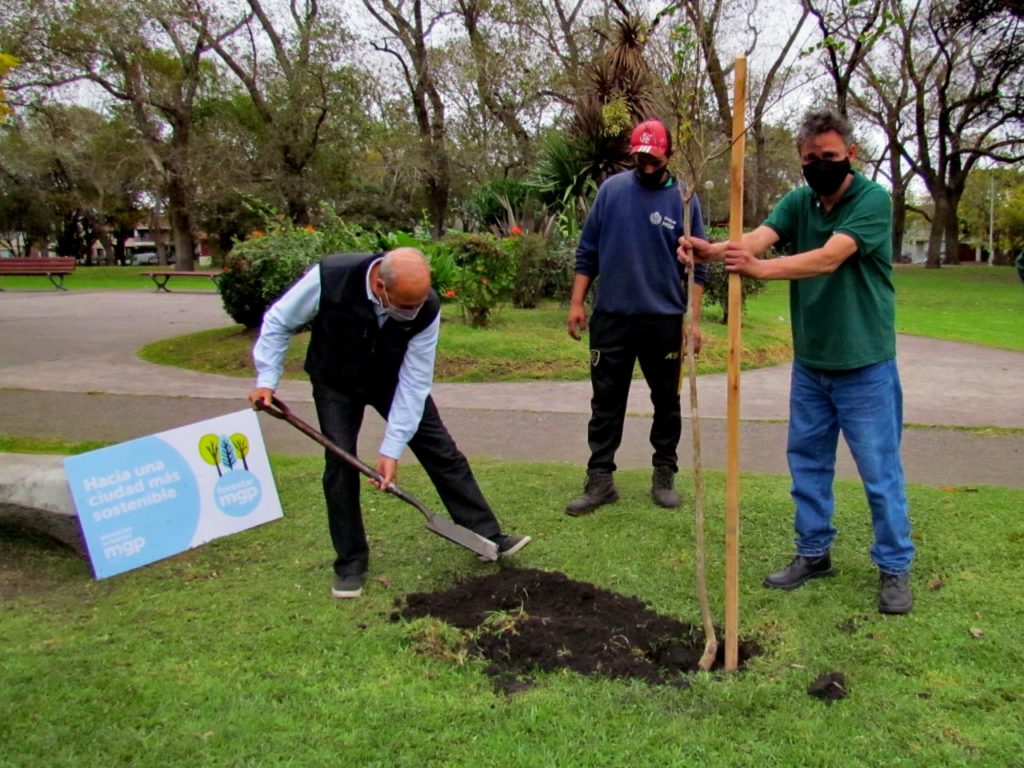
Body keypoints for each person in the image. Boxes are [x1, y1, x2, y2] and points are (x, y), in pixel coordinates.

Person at [679, 109, 915, 615]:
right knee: (806, 464)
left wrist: (759, 269)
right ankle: (813, 554)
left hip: (866, 366)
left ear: (850, 154)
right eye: (810, 159)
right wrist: (712, 250)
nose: (819, 166)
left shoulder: (872, 201)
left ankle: (894, 566)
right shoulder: (799, 201)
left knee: (879, 471)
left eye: (829, 157)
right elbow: (757, 240)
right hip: (811, 365)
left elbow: (828, 257)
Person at [249, 247, 530, 599]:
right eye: (405, 306)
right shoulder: (332, 276)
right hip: (335, 381)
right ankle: (350, 563)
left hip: (393, 378)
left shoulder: (426, 308)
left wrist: (391, 448)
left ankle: (487, 535)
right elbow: (278, 321)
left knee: (441, 450)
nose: (413, 312)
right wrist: (266, 380)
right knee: (340, 464)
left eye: (418, 304)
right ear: (380, 286)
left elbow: (415, 383)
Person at [565, 118, 708, 515]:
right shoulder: (611, 191)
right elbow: (587, 252)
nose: (646, 166)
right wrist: (577, 303)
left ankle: (664, 473)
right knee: (606, 402)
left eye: (654, 159)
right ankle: (600, 479)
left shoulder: (684, 199)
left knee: (667, 401)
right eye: (640, 158)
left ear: (670, 156)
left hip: (663, 320)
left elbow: (699, 266)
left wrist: (691, 322)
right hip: (612, 317)